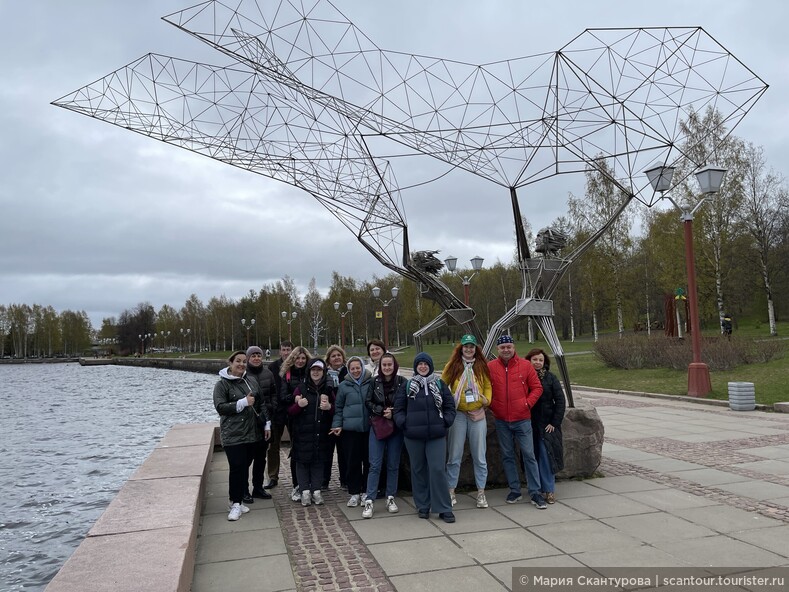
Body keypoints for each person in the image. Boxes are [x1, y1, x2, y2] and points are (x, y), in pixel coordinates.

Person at [393, 352, 456, 523]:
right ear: (415, 367)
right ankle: (423, 505)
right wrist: (403, 422)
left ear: (430, 366)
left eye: (425, 364)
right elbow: (398, 409)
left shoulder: (440, 384)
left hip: (436, 434)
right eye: (419, 364)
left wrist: (446, 421)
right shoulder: (407, 386)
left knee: (437, 470)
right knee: (418, 470)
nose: (422, 367)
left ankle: (444, 507)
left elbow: (450, 406)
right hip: (413, 436)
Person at [487, 335, 547, 509]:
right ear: (498, 349)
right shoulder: (491, 367)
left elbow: (537, 388)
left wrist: (526, 404)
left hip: (522, 419)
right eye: (502, 347)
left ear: (514, 348)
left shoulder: (525, 365)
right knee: (507, 455)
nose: (506, 350)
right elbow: (486, 388)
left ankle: (535, 492)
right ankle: (514, 489)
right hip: (501, 420)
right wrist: (493, 406)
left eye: (509, 347)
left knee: (529, 455)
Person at [213, 350, 271, 521]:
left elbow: (261, 403)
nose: (241, 364)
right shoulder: (222, 384)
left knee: (244, 467)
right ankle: (235, 503)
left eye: (244, 361)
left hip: (252, 433)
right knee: (237, 467)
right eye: (237, 361)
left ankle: (236, 500)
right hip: (233, 434)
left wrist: (266, 423)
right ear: (230, 363)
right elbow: (220, 407)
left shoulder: (251, 380)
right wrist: (242, 402)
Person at [441, 334, 492, 509]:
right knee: (454, 454)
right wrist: (449, 405)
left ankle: (481, 493)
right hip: (459, 414)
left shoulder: (481, 365)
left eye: (472, 346)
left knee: (479, 455)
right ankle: (451, 490)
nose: (469, 349)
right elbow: (442, 385)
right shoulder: (453, 365)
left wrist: (486, 401)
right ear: (461, 348)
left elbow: (487, 386)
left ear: (475, 349)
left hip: (477, 414)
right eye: (466, 346)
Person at [363, 352, 405, 518]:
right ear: (380, 367)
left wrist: (393, 413)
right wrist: (381, 411)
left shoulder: (402, 382)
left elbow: (405, 402)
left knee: (393, 464)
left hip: (395, 427)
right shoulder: (374, 382)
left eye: (390, 365)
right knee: (375, 464)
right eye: (384, 365)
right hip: (378, 426)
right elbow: (368, 402)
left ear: (394, 366)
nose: (387, 368)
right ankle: (370, 499)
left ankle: (390, 496)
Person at [288, 358, 335, 507]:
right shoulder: (300, 389)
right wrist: (299, 405)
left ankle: (316, 491)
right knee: (302, 463)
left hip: (320, 433)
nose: (316, 372)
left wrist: (329, 407)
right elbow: (290, 411)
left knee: (318, 463)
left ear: (323, 372)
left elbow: (335, 411)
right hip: (303, 433)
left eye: (319, 370)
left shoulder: (328, 390)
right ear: (309, 371)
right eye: (313, 370)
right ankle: (304, 491)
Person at [524, 348, 566, 504]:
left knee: (545, 457)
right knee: (531, 457)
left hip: (546, 425)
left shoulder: (550, 378)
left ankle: (548, 490)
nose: (538, 362)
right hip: (527, 423)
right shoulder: (524, 378)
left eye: (541, 360)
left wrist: (554, 423)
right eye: (534, 359)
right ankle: (535, 488)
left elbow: (560, 401)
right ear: (529, 360)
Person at [330, 356, 371, 508]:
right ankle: (354, 492)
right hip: (350, 430)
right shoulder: (344, 386)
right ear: (349, 369)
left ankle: (366, 490)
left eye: (358, 367)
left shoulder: (370, 382)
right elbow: (338, 407)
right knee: (352, 462)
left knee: (368, 461)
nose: (355, 370)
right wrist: (337, 424)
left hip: (367, 429)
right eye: (352, 368)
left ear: (362, 367)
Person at [279, 345, 312, 501]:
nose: (300, 361)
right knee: (297, 451)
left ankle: (310, 483)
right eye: (297, 358)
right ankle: (297, 485)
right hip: (294, 418)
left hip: (311, 417)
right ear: (292, 359)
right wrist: (294, 398)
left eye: (303, 358)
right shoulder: (287, 374)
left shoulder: (311, 373)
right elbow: (282, 396)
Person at [244, 345, 275, 500]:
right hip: (248, 423)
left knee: (260, 458)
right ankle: (244, 490)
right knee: (246, 459)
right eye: (253, 356)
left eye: (258, 355)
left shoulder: (268, 373)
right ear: (248, 358)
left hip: (265, 421)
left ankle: (258, 487)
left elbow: (274, 393)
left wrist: (271, 409)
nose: (256, 358)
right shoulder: (243, 375)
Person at [265, 340, 293, 489]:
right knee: (273, 446)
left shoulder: (297, 365)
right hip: (277, 412)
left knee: (298, 444)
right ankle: (273, 476)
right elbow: (269, 388)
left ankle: (297, 475)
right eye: (284, 349)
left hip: (293, 410)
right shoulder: (273, 367)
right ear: (280, 351)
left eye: (289, 349)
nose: (286, 352)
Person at [324, 344, 349, 489]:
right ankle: (324, 480)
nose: (336, 358)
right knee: (326, 450)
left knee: (343, 451)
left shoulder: (348, 372)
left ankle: (345, 479)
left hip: (344, 416)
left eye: (339, 355)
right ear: (328, 359)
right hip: (327, 416)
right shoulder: (324, 373)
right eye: (333, 356)